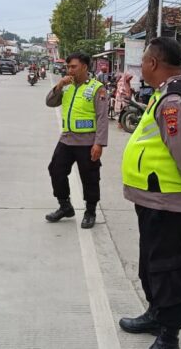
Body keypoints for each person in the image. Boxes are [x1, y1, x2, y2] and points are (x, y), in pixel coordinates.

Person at [118, 37, 181, 349]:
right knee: (150, 262)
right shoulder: (163, 94)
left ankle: (169, 335)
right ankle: (156, 314)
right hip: (152, 195)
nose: (141, 67)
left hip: (166, 198)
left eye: (143, 61)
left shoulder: (172, 100)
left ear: (153, 63)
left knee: (167, 267)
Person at [44, 52, 109, 229]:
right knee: (55, 170)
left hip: (87, 142)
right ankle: (65, 206)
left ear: (84, 67)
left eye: (73, 66)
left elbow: (102, 118)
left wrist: (99, 143)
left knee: (90, 177)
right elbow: (50, 102)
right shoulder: (66, 86)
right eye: (68, 67)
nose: (69, 70)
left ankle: (90, 211)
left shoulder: (97, 88)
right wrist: (59, 85)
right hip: (66, 139)